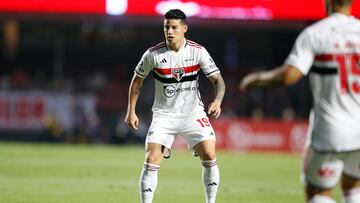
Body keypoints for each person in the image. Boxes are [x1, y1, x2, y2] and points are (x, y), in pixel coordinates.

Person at [239, 0, 360, 203]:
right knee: (353, 187)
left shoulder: (316, 34)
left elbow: (288, 76)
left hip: (330, 131)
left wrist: (258, 78)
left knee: (317, 192)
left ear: (327, 2)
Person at [124, 9, 225, 203]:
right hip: (164, 115)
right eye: (166, 27)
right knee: (151, 158)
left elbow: (218, 80)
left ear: (184, 29)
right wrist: (131, 110)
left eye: (174, 27)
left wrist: (218, 100)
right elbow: (137, 81)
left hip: (192, 114)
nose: (169, 31)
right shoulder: (153, 54)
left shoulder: (198, 51)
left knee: (210, 153)